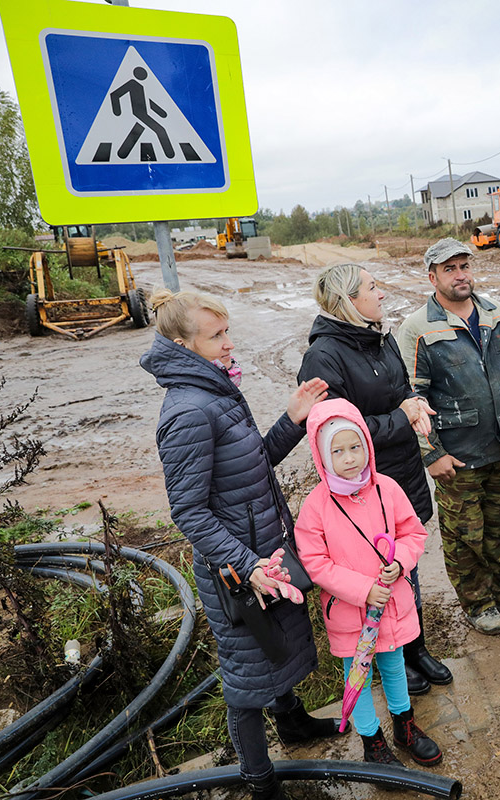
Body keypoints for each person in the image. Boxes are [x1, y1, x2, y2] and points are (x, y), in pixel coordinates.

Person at [140, 290, 337, 800]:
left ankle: (292, 723)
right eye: (217, 336)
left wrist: (291, 419)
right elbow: (188, 511)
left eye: (227, 331)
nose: (230, 344)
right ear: (182, 344)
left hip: (261, 555)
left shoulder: (218, 392)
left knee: (280, 647)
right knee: (247, 676)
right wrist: (247, 564)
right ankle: (258, 777)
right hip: (237, 569)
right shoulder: (187, 412)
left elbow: (253, 467)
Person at [297, 264, 452, 697]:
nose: (380, 294)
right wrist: (400, 418)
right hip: (359, 491)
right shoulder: (323, 356)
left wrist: (414, 404)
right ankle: (388, 659)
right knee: (373, 576)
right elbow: (335, 430)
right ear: (349, 300)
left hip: (399, 480)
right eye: (372, 287)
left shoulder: (378, 337)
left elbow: (400, 389)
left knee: (406, 567)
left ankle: (414, 646)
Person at [396, 238, 500, 635]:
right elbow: (413, 398)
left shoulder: (493, 315)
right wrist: (432, 455)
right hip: (457, 454)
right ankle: (478, 604)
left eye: (464, 266)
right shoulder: (418, 328)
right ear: (432, 277)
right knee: (466, 536)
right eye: (450, 269)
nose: (460, 274)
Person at [295, 399, 442, 767]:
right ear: (322, 456)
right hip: (349, 613)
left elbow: (412, 532)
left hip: (391, 605)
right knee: (357, 677)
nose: (349, 458)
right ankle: (372, 742)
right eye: (338, 451)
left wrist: (399, 562)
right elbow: (315, 562)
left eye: (356, 446)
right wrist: (363, 590)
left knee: (393, 666)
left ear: (367, 445)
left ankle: (404, 726)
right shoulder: (317, 506)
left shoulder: (387, 488)